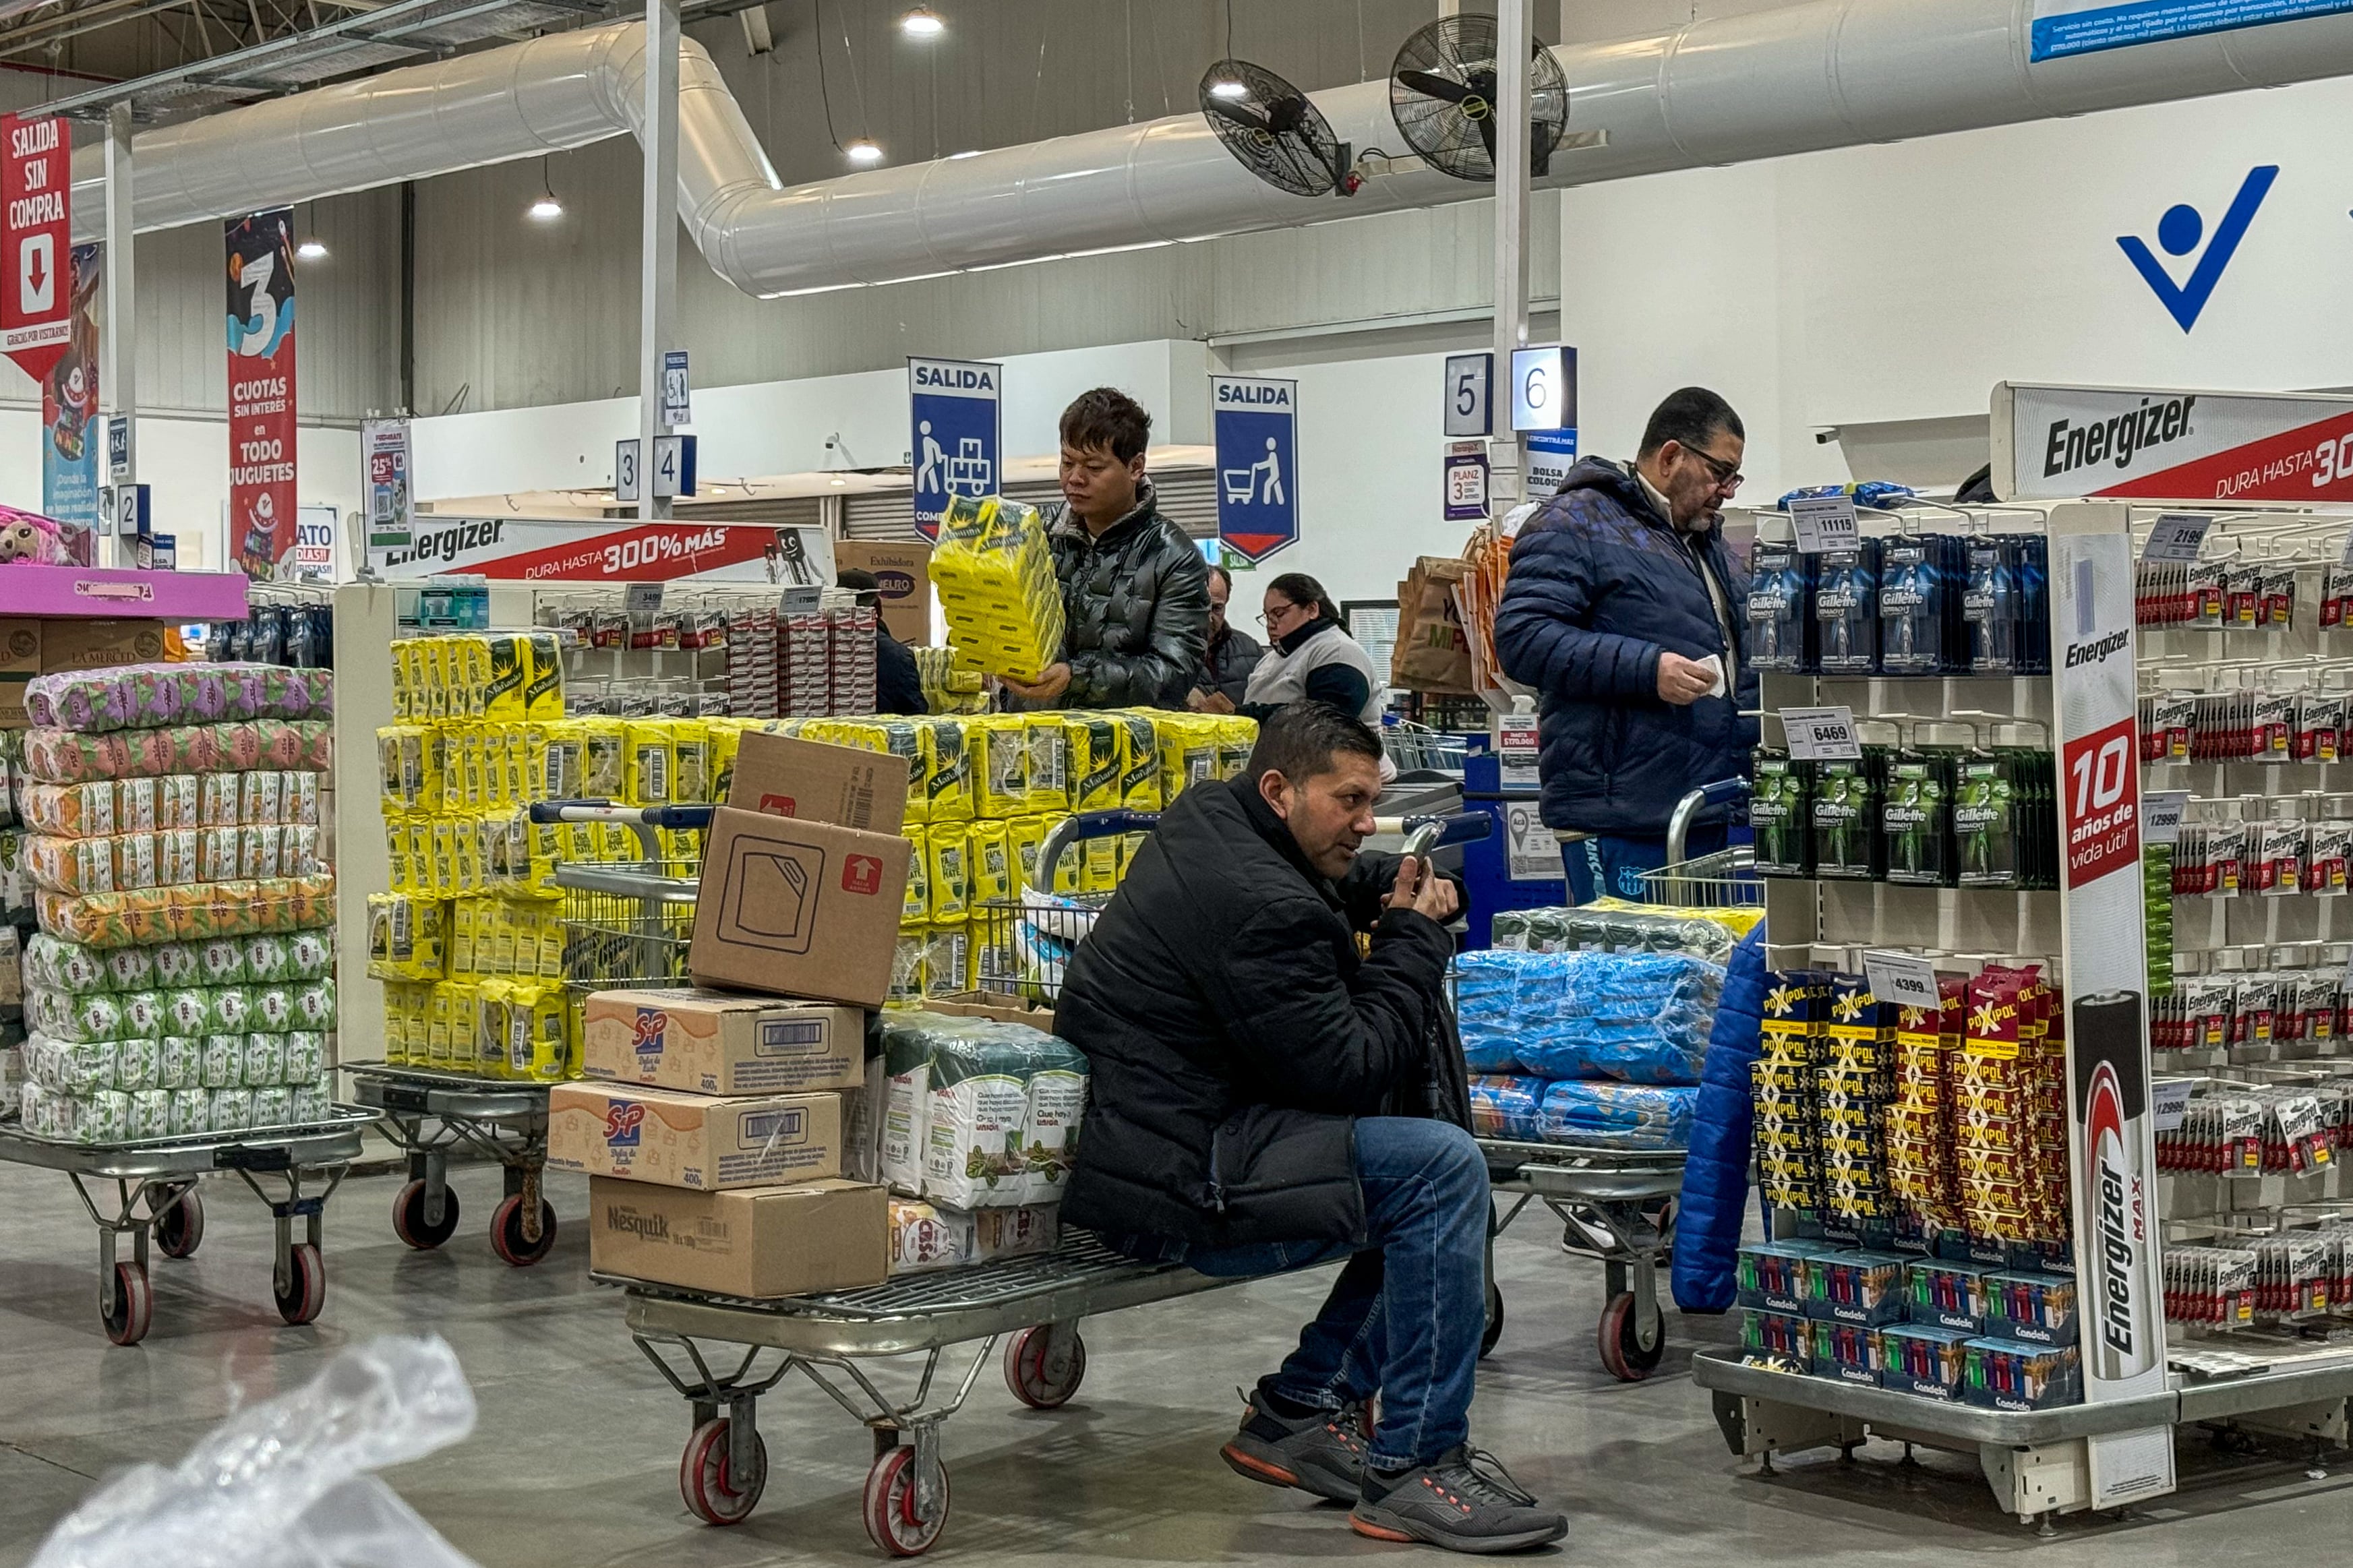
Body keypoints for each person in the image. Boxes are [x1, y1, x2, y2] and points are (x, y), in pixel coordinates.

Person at [1056, 702, 1568, 1555]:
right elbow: (1349, 1066)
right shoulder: (1260, 907)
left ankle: (1300, 1407)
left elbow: (1312, 880)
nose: (1367, 822)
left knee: (1435, 1176)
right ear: (1280, 788)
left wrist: (1382, 882)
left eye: (1375, 803)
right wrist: (1410, 938)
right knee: (1439, 1168)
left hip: (1164, 1134)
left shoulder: (1215, 819)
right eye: (1351, 803)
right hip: (1185, 1172)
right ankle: (1414, 1468)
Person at [1494, 386, 1758, 903]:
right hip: (1619, 818)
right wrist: (1648, 669)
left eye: (1734, 477)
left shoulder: (1710, 547)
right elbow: (1522, 637)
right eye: (1720, 473)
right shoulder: (1577, 522)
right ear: (1670, 456)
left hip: (1700, 811)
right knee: (1627, 982)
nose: (1728, 490)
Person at [997, 387, 1210, 710]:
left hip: (1118, 750)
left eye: (1094, 468)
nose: (1075, 478)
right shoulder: (1037, 531)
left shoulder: (1173, 556)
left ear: (1136, 467)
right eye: (1067, 463)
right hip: (1029, 739)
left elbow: (1173, 673)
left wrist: (1078, 678)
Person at [835, 568, 926, 715]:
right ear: (878, 607)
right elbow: (916, 715)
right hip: (880, 736)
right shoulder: (898, 657)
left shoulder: (813, 646)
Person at [1186, 564, 1262, 709]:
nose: (1209, 618)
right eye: (1201, 608)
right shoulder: (1161, 651)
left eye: (1217, 608)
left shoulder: (1250, 649)